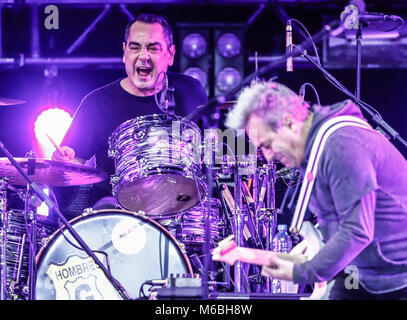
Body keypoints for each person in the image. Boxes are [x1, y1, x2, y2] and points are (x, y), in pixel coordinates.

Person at [225, 80, 407, 299]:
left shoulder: (341, 145)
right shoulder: (317, 150)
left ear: (290, 123)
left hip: (397, 281)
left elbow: (357, 232)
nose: (269, 155)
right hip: (368, 275)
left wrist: (301, 272)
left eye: (268, 144)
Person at [52, 13, 208, 207]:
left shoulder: (191, 91)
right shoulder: (97, 103)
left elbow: (212, 151)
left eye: (153, 48)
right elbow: (70, 167)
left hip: (182, 214)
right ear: (125, 52)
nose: (143, 56)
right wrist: (62, 164)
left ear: (170, 54)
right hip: (116, 219)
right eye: (135, 47)